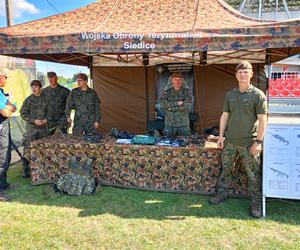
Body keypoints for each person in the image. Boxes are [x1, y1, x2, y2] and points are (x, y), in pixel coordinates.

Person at [209, 61, 268, 218]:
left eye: (246, 71)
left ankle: (256, 203)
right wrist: (221, 136)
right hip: (230, 142)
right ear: (236, 75)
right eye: (240, 72)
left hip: (250, 143)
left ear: (251, 74)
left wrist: (259, 142)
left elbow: (263, 120)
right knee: (226, 170)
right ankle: (222, 194)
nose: (243, 74)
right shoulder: (230, 95)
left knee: (253, 175)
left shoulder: (258, 95)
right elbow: (225, 116)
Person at [20, 80, 48, 178]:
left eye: (35, 87)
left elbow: (50, 112)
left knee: (42, 149)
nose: (33, 89)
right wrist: (33, 120)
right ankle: (26, 171)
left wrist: (46, 120)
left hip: (43, 129)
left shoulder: (46, 99)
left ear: (40, 88)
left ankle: (40, 169)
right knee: (28, 149)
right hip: (31, 129)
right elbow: (23, 113)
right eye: (32, 87)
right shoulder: (28, 100)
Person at [0, 70, 16, 201]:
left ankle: (3, 184)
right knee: (2, 158)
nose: (6, 81)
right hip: (1, 130)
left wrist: (9, 107)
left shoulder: (1, 93)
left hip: (4, 130)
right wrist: (9, 107)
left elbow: (13, 107)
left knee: (6, 156)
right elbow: (6, 112)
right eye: (5, 78)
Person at [159, 72, 192, 136]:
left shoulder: (187, 92)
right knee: (167, 144)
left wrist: (170, 108)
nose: (177, 81)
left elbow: (187, 106)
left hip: (183, 124)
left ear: (182, 81)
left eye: (179, 79)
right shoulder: (167, 92)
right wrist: (177, 103)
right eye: (175, 79)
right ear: (172, 80)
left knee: (186, 143)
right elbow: (162, 104)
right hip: (169, 124)